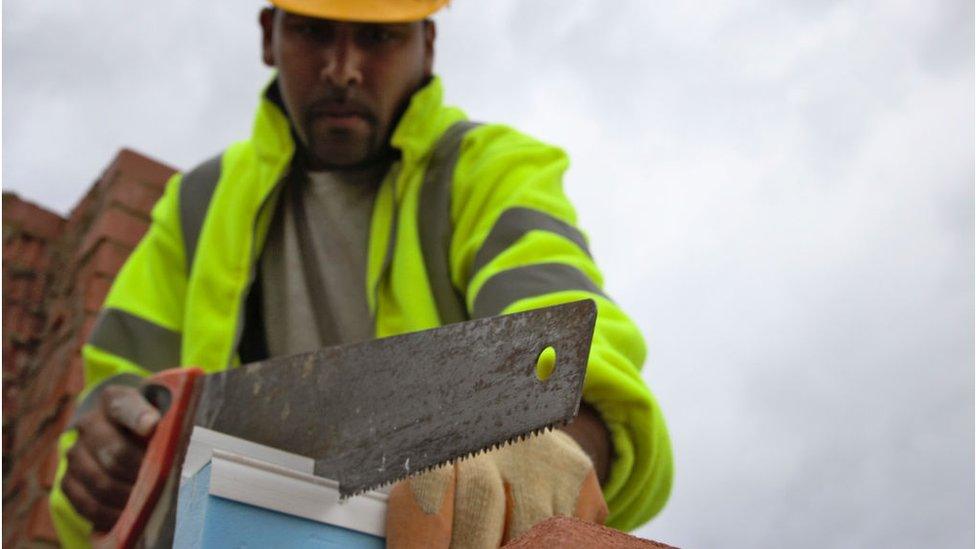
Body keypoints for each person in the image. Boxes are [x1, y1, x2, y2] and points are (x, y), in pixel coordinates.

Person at [50, 1, 673, 546]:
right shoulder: (198, 204)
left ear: (427, 45)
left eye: (378, 37)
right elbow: (118, 387)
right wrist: (107, 453)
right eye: (315, 31)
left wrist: (557, 443)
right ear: (269, 34)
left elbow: (567, 325)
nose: (342, 69)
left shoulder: (488, 170)